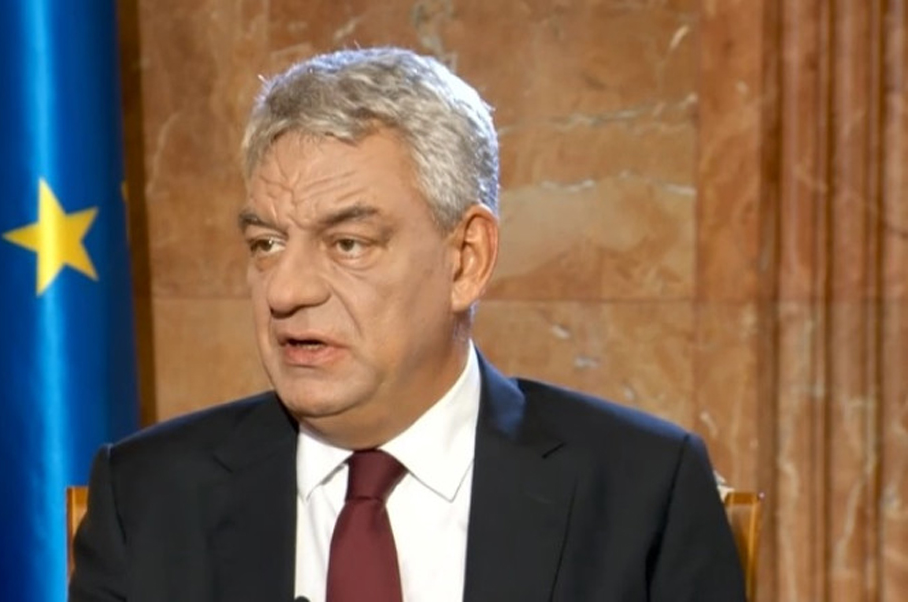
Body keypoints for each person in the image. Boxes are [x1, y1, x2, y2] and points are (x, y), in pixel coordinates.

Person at [69, 46, 746, 602]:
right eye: (266, 244)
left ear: (465, 260)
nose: (285, 290)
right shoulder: (148, 498)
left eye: (348, 244)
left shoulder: (639, 494)